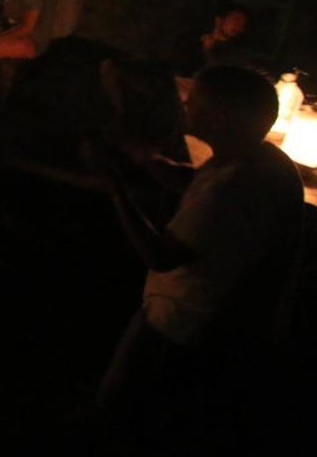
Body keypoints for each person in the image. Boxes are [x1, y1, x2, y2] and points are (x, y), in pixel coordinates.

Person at [97, 66, 303, 449]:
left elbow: (160, 255)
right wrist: (142, 159)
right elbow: (196, 181)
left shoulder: (232, 189)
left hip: (185, 323)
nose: (186, 105)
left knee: (126, 409)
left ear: (220, 117)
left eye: (195, 101)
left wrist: (115, 191)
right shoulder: (262, 161)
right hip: (220, 322)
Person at [170, 5, 251, 80]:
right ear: (218, 21)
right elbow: (177, 65)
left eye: (242, 23)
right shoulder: (192, 39)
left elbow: (220, 75)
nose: (238, 25)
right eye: (235, 19)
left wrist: (207, 51)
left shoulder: (236, 51)